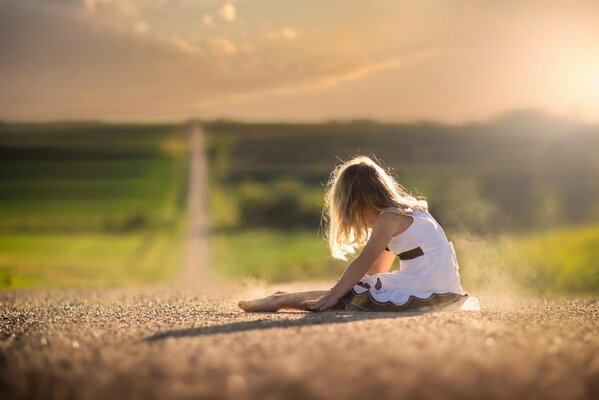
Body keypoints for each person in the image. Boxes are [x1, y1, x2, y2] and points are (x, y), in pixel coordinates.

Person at [238, 155, 468, 313]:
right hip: (441, 286)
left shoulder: (389, 219)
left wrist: (335, 294)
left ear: (356, 202)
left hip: (428, 290)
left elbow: (363, 262)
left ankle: (280, 299)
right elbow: (377, 270)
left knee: (345, 296)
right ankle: (282, 297)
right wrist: (345, 289)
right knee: (353, 291)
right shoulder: (409, 212)